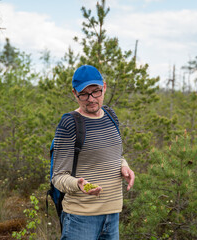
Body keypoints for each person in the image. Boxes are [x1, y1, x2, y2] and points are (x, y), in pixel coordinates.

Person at [51, 65, 135, 240]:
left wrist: (124, 167)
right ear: (75, 93)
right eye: (84, 94)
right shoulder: (69, 124)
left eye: (95, 91)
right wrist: (78, 184)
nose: (91, 99)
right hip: (80, 220)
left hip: (112, 216)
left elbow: (115, 157)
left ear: (104, 87)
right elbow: (58, 177)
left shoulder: (111, 116)